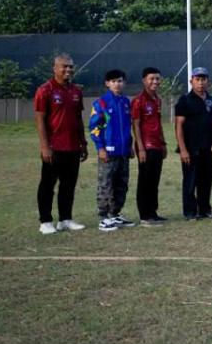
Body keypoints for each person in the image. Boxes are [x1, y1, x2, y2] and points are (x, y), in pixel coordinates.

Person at [34, 54, 87, 234]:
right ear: (55, 68)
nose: (68, 70)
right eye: (64, 66)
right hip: (54, 147)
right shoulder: (45, 90)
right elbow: (40, 120)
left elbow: (78, 118)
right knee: (47, 185)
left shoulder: (76, 91)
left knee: (68, 185)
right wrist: (44, 146)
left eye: (71, 66)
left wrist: (83, 143)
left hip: (73, 146)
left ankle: (65, 219)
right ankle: (45, 221)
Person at [89, 69, 135, 232]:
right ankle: (104, 218)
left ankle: (115, 214)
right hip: (108, 152)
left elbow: (127, 127)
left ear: (124, 83)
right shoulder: (101, 103)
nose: (117, 84)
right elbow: (94, 127)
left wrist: (129, 145)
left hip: (123, 151)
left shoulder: (125, 102)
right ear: (107, 83)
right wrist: (100, 147)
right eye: (114, 81)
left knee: (121, 184)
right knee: (106, 184)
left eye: (120, 81)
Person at [175, 67, 212, 221]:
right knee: (190, 181)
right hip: (191, 148)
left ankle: (205, 209)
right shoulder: (185, 100)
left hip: (207, 147)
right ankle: (190, 212)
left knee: (206, 181)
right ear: (191, 81)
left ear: (208, 81)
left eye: (203, 79)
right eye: (197, 79)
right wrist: (183, 149)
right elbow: (179, 125)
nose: (201, 83)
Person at [131, 67, 167, 226]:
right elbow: (136, 125)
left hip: (157, 145)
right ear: (144, 80)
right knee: (145, 180)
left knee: (154, 180)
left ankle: (153, 212)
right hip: (146, 146)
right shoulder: (138, 100)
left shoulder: (157, 99)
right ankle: (144, 215)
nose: (155, 82)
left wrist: (163, 143)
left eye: (157, 79)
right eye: (152, 78)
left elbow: (158, 123)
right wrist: (141, 148)